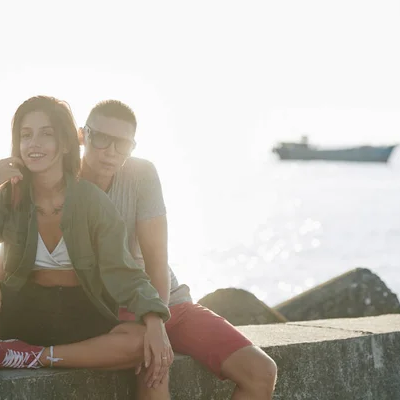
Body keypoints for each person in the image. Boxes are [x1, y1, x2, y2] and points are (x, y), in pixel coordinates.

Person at [0, 96, 173, 385]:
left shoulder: (93, 202)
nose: (34, 143)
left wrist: (154, 319)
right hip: (19, 312)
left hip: (83, 317)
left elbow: (124, 274)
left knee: (139, 342)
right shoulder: (8, 197)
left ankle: (30, 355)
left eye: (46, 134)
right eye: (26, 135)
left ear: (64, 143)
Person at [77, 100, 278, 400]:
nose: (111, 151)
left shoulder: (141, 173)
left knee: (261, 371)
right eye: (101, 138)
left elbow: (157, 261)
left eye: (122, 143)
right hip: (112, 310)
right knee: (155, 369)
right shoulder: (62, 184)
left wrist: (155, 322)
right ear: (83, 135)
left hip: (167, 301)